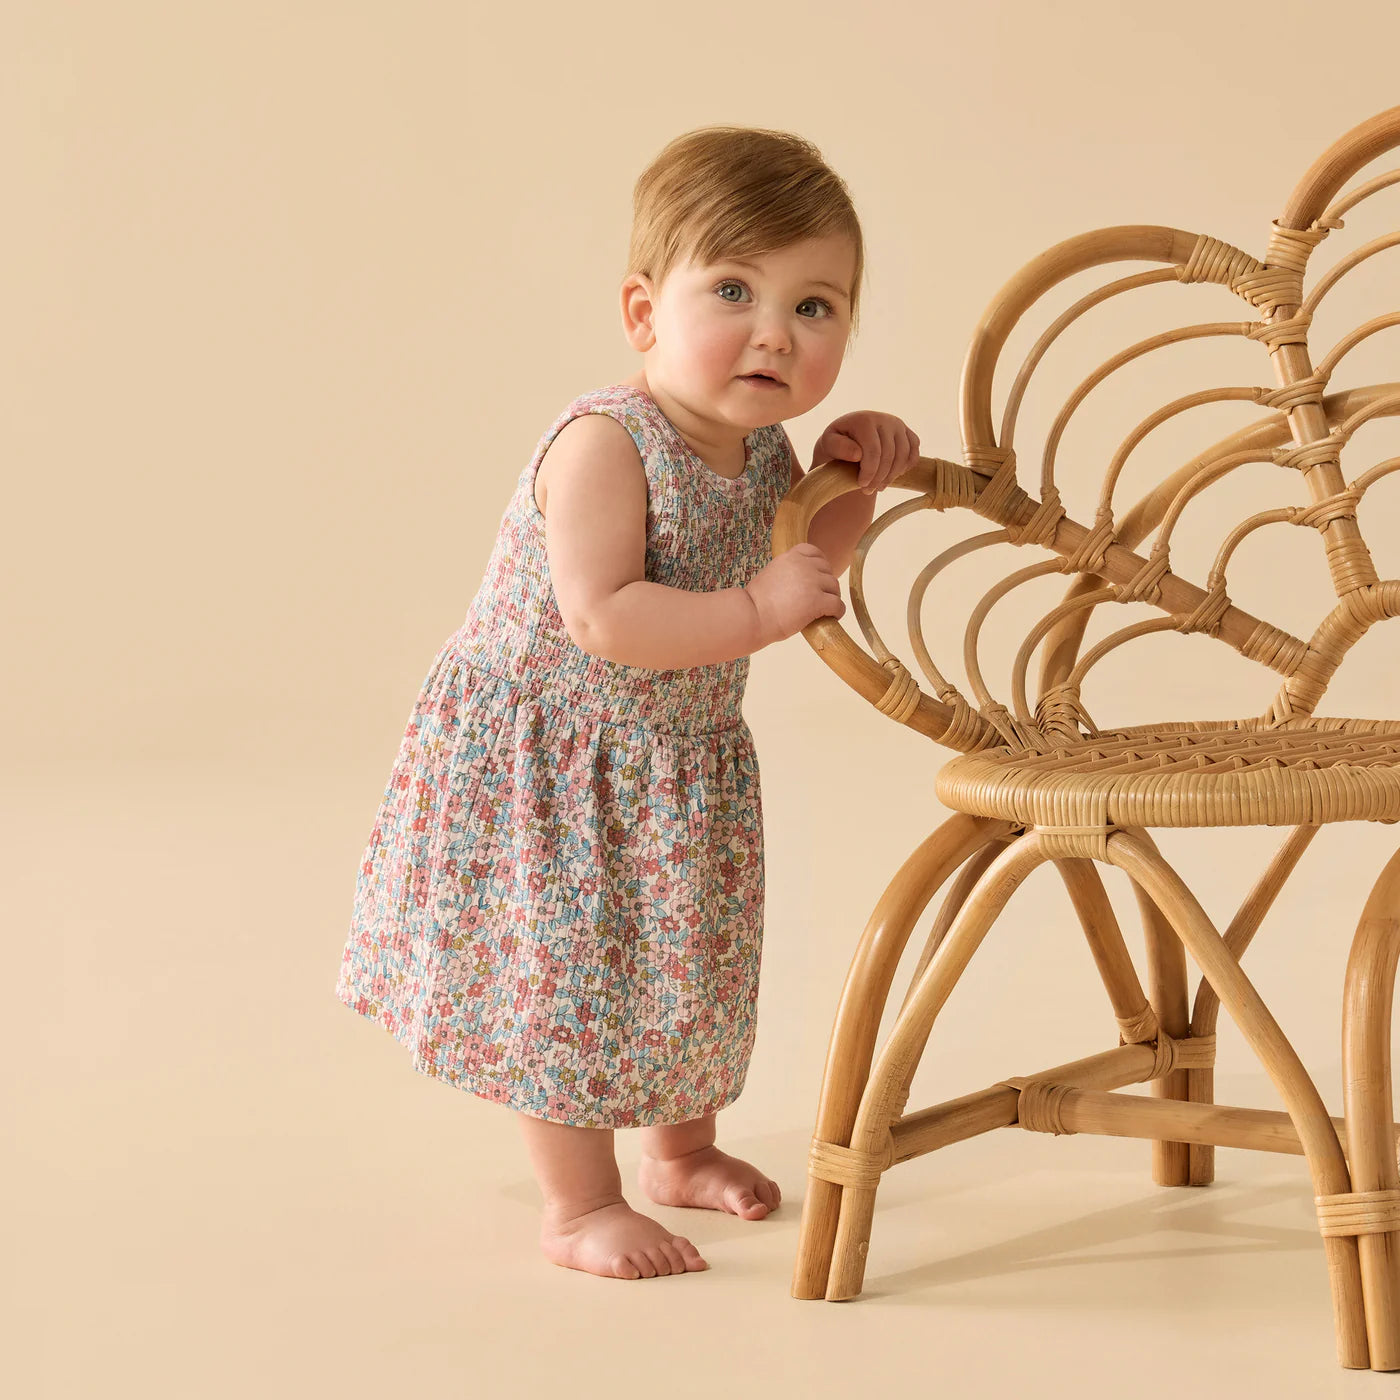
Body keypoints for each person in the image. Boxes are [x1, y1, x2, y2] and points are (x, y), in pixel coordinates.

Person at [335, 124, 921, 1282]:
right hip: (550, 764)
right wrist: (757, 605)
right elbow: (605, 614)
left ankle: (679, 1149)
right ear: (644, 312)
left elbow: (802, 572)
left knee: (680, 962)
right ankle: (577, 1202)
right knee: (568, 983)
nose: (775, 330)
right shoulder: (607, 443)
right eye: (734, 290)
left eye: (816, 307)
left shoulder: (760, 453)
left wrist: (845, 485)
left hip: (670, 759)